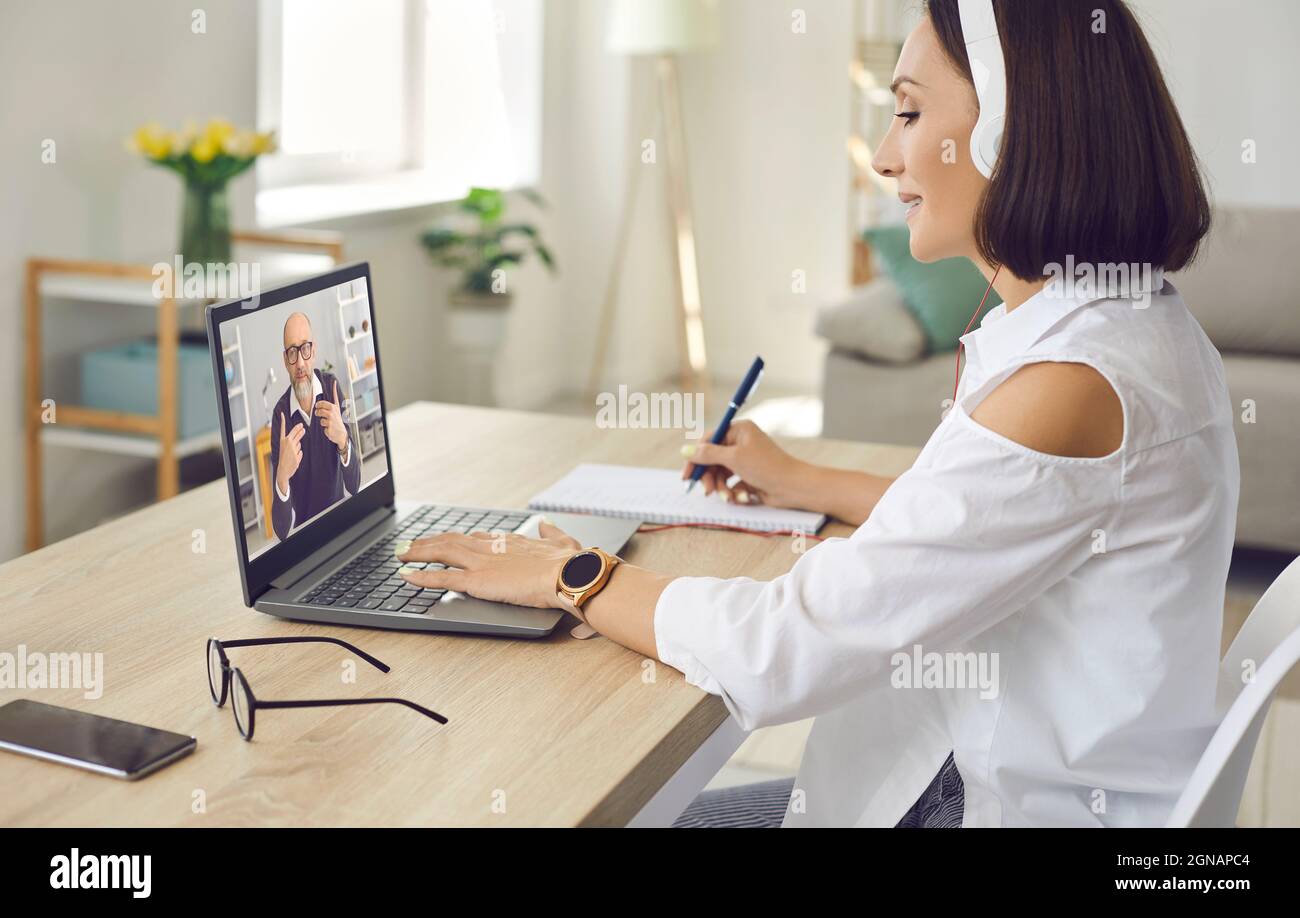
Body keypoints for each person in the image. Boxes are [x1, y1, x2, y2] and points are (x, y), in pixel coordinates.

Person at [395, 0, 1238, 827]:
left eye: (908, 113)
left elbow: (786, 650)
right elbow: (982, 514)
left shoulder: (1072, 381)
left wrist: (572, 575)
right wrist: (803, 481)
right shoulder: (1133, 324)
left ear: (1010, 134)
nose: (882, 155)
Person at [269, 312, 360, 540]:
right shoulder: (280, 417)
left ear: (314, 350)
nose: (300, 362)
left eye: (305, 349)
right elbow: (281, 530)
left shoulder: (334, 389)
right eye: (292, 352)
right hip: (307, 537)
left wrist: (343, 442)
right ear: (285, 361)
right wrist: (281, 475)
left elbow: (355, 484)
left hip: (342, 524)